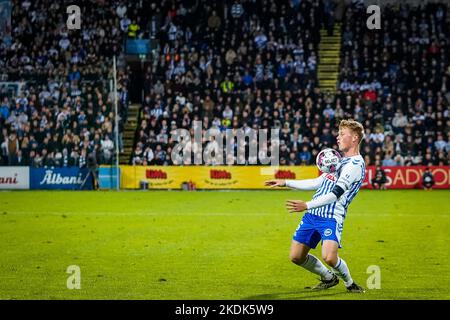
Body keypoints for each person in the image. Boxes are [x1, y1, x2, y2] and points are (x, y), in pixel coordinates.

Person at [265, 119, 366, 293]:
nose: (338, 137)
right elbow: (317, 182)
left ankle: (350, 284)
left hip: (331, 217)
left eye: (342, 134)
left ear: (355, 138)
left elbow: (335, 194)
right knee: (296, 257)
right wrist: (285, 182)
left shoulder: (356, 165)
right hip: (313, 215)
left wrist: (306, 204)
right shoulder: (339, 161)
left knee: (329, 256)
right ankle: (328, 278)